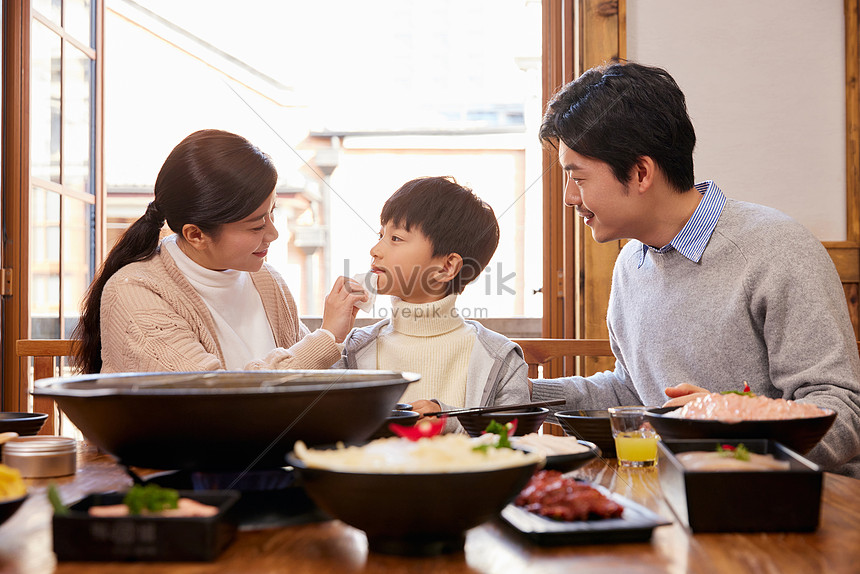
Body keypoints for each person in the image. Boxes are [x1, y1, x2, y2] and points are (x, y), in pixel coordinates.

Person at [531, 61, 860, 477]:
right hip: (683, 497)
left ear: (640, 172)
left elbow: (843, 412)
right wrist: (518, 393)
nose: (568, 198)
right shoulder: (631, 265)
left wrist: (724, 419)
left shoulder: (775, 248)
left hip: (794, 510)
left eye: (576, 177)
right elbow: (633, 390)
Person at [73, 129, 366, 374]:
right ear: (196, 234)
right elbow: (216, 403)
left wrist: (340, 334)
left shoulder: (266, 280)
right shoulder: (135, 292)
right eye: (255, 226)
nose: (273, 234)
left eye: (271, 213)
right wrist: (327, 337)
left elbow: (306, 376)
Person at [337, 176, 529, 432]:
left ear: (447, 266)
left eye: (396, 238)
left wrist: (451, 423)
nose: (375, 249)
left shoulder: (501, 358)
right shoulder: (353, 349)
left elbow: (515, 443)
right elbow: (321, 428)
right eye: (381, 234)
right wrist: (330, 335)